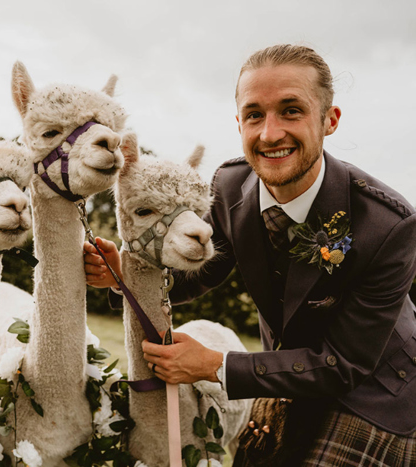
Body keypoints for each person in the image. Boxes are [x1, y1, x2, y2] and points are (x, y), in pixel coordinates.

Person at [84, 44, 416, 464]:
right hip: (280, 375)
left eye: (291, 110)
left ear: (329, 120)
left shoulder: (389, 224)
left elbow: (345, 364)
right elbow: (199, 274)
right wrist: (124, 275)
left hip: (372, 392)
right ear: (238, 121)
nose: (270, 133)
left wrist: (214, 365)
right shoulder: (228, 185)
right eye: (255, 114)